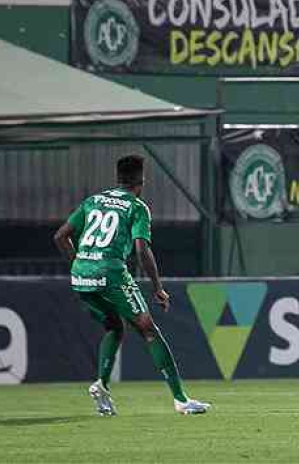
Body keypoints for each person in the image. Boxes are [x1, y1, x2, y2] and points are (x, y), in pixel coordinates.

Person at [53, 154, 210, 416]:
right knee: (149, 330)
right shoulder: (137, 207)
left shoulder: (93, 201)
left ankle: (102, 387)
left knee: (115, 327)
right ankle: (181, 400)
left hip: (81, 276)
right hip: (111, 272)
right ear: (141, 181)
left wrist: (79, 266)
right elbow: (141, 250)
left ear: (118, 178)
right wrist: (157, 287)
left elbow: (60, 236)